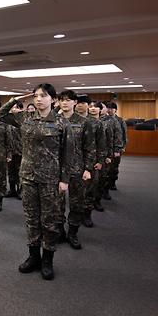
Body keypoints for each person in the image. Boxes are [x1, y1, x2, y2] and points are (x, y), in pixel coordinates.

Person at [0, 84, 73, 280]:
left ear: (53, 100)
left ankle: (47, 259)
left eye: (43, 95)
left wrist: (64, 180)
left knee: (49, 221)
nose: (38, 99)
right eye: (36, 95)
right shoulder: (25, 118)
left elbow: (68, 154)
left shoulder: (62, 123)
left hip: (50, 179)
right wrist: (18, 99)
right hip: (28, 177)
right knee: (31, 219)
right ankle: (33, 257)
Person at [56, 90, 95, 250]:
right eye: (62, 100)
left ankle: (72, 233)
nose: (65, 103)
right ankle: (59, 231)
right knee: (56, 203)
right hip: (56, 168)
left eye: (68, 100)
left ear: (74, 103)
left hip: (77, 168)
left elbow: (90, 147)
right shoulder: (52, 120)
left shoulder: (83, 122)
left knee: (77, 203)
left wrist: (88, 168)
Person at [78, 97, 108, 227]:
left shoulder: (96, 123)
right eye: (78, 103)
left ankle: (87, 215)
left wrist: (100, 160)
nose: (80, 105)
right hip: (72, 162)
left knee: (89, 190)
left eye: (84, 103)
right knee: (75, 192)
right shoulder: (67, 121)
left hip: (91, 161)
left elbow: (102, 144)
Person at [100, 101, 123, 201]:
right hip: (97, 151)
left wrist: (118, 149)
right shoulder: (94, 119)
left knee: (108, 172)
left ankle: (106, 190)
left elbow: (119, 135)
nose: (107, 110)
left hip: (109, 150)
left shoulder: (114, 120)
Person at [107, 102, 127, 190]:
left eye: (111, 108)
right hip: (107, 148)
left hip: (117, 148)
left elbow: (124, 134)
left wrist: (123, 147)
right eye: (108, 108)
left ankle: (112, 183)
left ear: (115, 110)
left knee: (114, 167)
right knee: (107, 168)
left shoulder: (120, 120)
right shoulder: (104, 119)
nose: (109, 110)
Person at [6, 101, 24, 199]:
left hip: (20, 150)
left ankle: (20, 190)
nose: (13, 109)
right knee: (10, 172)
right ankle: (12, 190)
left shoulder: (22, 121)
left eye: (15, 107)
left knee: (19, 172)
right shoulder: (8, 121)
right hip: (10, 151)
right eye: (12, 107)